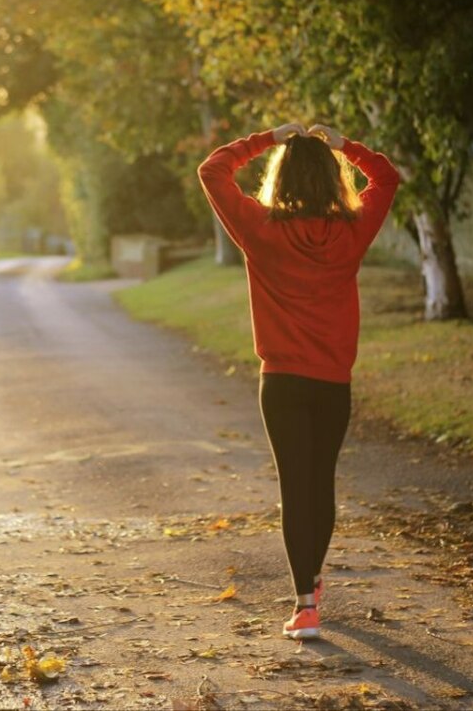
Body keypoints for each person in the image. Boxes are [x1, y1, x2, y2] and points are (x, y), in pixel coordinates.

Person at [197, 122, 400, 639]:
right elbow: (387, 177)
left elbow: (212, 170)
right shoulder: (352, 230)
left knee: (295, 486)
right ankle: (310, 580)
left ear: (280, 178)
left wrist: (268, 138)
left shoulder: (260, 228)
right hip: (333, 381)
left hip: (282, 382)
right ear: (333, 181)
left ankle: (305, 603)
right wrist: (344, 146)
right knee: (321, 483)